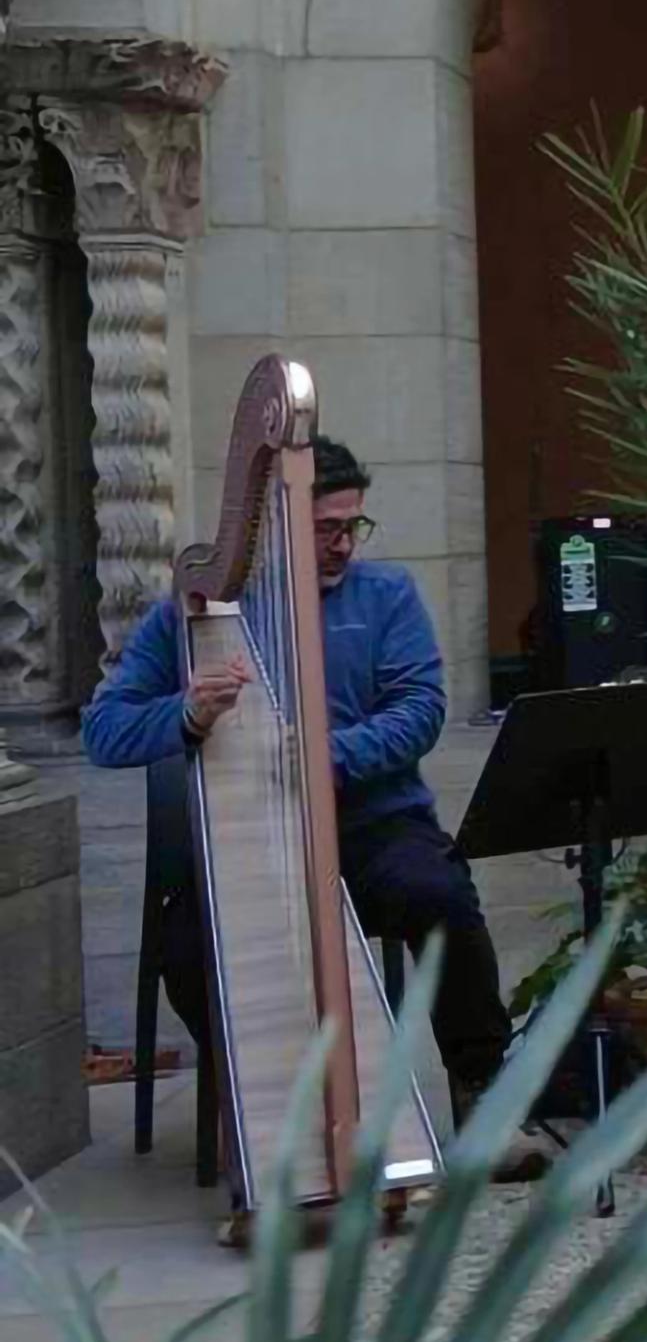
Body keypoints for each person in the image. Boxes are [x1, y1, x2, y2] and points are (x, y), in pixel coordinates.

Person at [83, 437, 523, 1133]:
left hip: (374, 824)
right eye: (327, 529)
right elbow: (103, 732)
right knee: (187, 949)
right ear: (278, 526)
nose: (345, 545)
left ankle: (483, 1090)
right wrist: (188, 714)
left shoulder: (387, 597)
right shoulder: (195, 613)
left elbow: (420, 710)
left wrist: (326, 756)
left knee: (441, 895)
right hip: (249, 843)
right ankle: (264, 1111)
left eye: (354, 527)